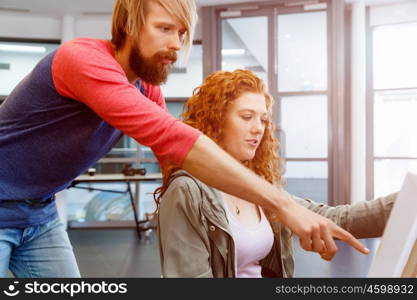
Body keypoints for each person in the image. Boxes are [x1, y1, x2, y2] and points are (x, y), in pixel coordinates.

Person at [0, 0, 366, 278]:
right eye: (164, 29)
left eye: (182, 33)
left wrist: (228, 218)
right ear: (128, 24)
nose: (176, 44)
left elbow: (178, 168)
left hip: (40, 214)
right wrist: (285, 206)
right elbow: (175, 138)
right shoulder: (80, 59)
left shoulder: (148, 91)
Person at [157, 69, 397, 277]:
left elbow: (337, 219)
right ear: (215, 120)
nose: (258, 129)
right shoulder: (187, 191)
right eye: (247, 117)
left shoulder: (257, 189)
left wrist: (408, 200)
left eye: (263, 119)